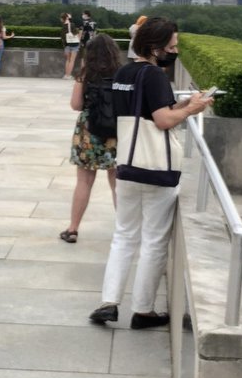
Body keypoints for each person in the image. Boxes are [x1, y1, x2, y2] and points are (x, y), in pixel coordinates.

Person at [90, 18, 212, 329]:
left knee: (124, 235)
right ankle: (143, 310)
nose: (175, 51)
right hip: (156, 169)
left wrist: (181, 104)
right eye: (172, 46)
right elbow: (162, 120)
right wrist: (193, 109)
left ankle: (108, 302)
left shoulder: (124, 73)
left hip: (127, 165)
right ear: (155, 48)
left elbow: (144, 111)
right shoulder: (155, 75)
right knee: (154, 240)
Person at [61, 34, 123, 244]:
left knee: (84, 181)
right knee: (117, 182)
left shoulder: (85, 74)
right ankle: (124, 229)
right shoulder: (121, 74)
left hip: (89, 131)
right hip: (115, 132)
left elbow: (76, 105)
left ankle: (73, 229)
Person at [60, 12, 80, 79]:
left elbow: (62, 37)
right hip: (74, 44)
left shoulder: (63, 26)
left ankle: (66, 75)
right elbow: (76, 33)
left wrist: (65, 46)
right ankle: (69, 75)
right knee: (72, 60)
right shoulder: (72, 25)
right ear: (67, 17)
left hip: (67, 45)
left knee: (67, 60)